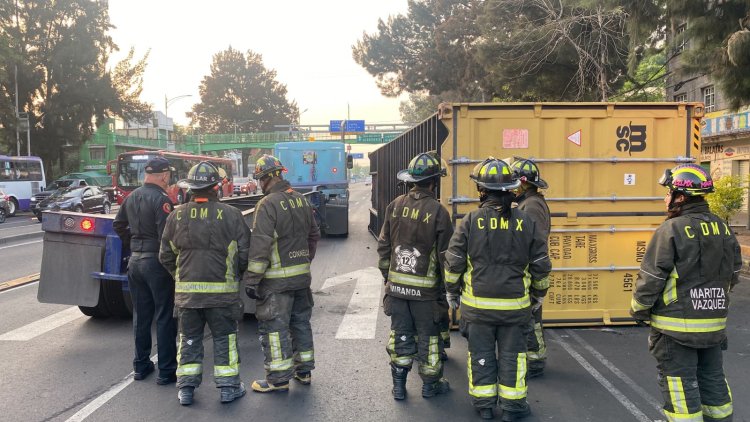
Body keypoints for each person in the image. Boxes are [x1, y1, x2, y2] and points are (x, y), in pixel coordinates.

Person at [630, 164, 741, 422]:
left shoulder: (671, 229)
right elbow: (734, 273)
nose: (665, 198)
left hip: (675, 328)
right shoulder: (722, 228)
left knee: (680, 387)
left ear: (681, 197)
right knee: (713, 379)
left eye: (668, 193)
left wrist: (638, 309)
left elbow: (652, 278)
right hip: (714, 325)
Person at [444, 157, 551, 421]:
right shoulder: (526, 222)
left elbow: (454, 262)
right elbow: (541, 265)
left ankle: (484, 406)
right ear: (513, 189)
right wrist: (537, 295)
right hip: (515, 310)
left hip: (477, 309)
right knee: (513, 357)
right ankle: (513, 407)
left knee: (480, 355)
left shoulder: (470, 221)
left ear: (481, 190)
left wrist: (451, 291)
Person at [159, 161, 251, 406]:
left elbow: (165, 255)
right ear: (216, 188)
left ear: (190, 188)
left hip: (187, 296)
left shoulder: (176, 215)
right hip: (222, 295)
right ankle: (229, 388)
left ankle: (186, 390)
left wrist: (181, 278)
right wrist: (234, 275)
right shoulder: (231, 215)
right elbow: (245, 252)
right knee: (225, 339)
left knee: (189, 339)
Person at [377, 151, 454, 400]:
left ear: (411, 180)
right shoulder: (439, 212)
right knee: (429, 339)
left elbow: (384, 246)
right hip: (426, 294)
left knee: (400, 335)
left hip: (397, 290)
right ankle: (430, 385)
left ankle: (398, 385)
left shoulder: (395, 205)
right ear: (435, 181)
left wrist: (388, 277)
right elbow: (446, 257)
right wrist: (449, 289)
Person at [243, 154, 321, 393]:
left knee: (275, 328)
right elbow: (314, 235)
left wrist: (252, 279)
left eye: (259, 179)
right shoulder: (300, 200)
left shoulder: (267, 204)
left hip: (276, 282)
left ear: (266, 178)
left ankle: (278, 379)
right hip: (301, 278)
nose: (259, 184)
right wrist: (304, 262)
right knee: (300, 324)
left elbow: (260, 245)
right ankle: (304, 371)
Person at [113, 156, 177, 385]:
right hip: (156, 264)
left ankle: (141, 366)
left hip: (135, 263)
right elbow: (167, 237)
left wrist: (132, 244)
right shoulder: (161, 200)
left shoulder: (132, 197)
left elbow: (118, 224)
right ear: (164, 176)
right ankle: (167, 371)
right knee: (164, 316)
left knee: (141, 316)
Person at [510, 158, 551, 378]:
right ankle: (532, 357)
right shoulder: (529, 202)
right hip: (527, 268)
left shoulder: (531, 206)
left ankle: (534, 360)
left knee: (530, 317)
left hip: (530, 269)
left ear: (523, 183)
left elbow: (536, 243)